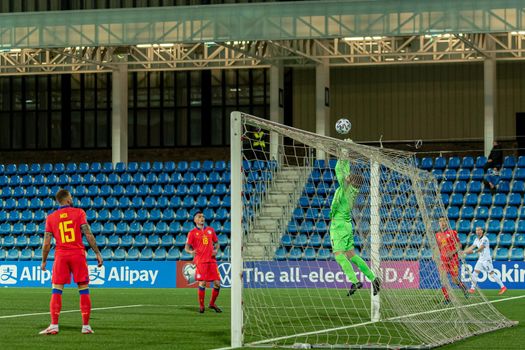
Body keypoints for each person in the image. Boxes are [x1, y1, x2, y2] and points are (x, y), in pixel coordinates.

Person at [39, 189, 103, 335]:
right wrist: (97, 253)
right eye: (71, 197)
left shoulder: (51, 218)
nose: (72, 199)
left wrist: (43, 261)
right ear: (67, 199)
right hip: (78, 254)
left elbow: (47, 243)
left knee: (56, 289)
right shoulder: (79, 212)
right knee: (83, 289)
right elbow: (88, 234)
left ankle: (54, 325)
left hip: (61, 255)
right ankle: (86, 326)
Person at [330, 158, 381, 296]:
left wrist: (343, 155)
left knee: (338, 255)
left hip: (338, 225)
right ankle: (373, 278)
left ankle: (354, 281)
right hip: (347, 224)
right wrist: (345, 158)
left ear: (350, 181)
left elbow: (338, 170)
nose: (346, 177)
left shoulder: (344, 188)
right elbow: (344, 172)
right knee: (351, 255)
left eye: (348, 178)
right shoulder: (353, 190)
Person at [185, 211, 222, 313]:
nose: (202, 218)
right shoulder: (192, 233)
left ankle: (212, 304)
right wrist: (191, 251)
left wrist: (216, 250)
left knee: (217, 283)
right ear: (195, 220)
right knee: (203, 282)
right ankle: (202, 306)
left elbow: (217, 243)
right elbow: (186, 248)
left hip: (212, 260)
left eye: (203, 217)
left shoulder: (210, 230)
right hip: (201, 261)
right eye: (199, 217)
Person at [462, 226, 507, 295]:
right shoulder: (476, 239)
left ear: (482, 231)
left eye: (479, 230)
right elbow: (472, 247)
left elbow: (481, 248)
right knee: (475, 273)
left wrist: (473, 252)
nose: (477, 231)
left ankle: (503, 287)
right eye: (476, 230)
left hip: (486, 260)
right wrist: (464, 252)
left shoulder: (485, 239)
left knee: (492, 274)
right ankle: (472, 289)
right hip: (480, 259)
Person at [435, 217, 469, 303]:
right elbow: (438, 247)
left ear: (446, 222)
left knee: (454, 280)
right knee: (442, 279)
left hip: (453, 259)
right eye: (440, 221)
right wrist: (435, 255)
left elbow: (459, 245)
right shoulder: (437, 234)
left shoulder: (452, 232)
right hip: (443, 259)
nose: (442, 223)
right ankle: (447, 298)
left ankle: (463, 287)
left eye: (443, 221)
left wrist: (452, 252)